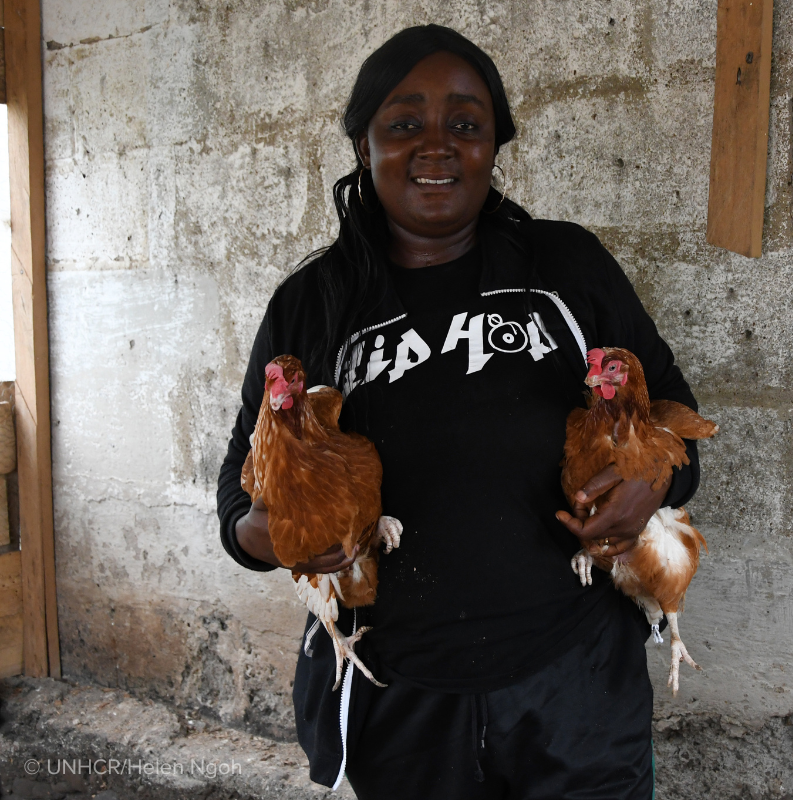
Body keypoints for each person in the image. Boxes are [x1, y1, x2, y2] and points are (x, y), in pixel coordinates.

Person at [216, 24, 703, 800]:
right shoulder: (313, 306)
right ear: (363, 143)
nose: (437, 146)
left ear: (494, 146)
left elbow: (679, 423)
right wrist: (279, 535)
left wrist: (656, 480)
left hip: (575, 683)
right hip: (397, 694)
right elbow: (237, 503)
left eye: (465, 125)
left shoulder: (566, 268)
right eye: (404, 124)